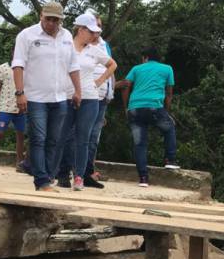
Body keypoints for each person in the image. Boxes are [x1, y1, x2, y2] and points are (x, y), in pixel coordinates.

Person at [12, 1, 82, 192]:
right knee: (38, 138)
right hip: (35, 97)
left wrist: (77, 91)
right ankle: (41, 180)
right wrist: (20, 93)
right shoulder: (27, 35)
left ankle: (48, 176)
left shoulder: (66, 36)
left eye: (56, 20)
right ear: (41, 15)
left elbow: (73, 66)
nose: (52, 23)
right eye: (48, 19)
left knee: (54, 139)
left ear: (61, 20)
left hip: (59, 97)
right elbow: (18, 65)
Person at [54, 13, 117, 190]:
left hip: (90, 98)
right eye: (91, 32)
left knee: (83, 139)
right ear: (80, 30)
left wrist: (99, 81)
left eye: (96, 32)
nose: (94, 36)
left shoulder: (95, 50)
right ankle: (55, 173)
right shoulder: (65, 47)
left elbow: (113, 65)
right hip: (66, 97)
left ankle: (79, 177)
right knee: (61, 137)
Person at [117, 47, 178, 187]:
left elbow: (125, 86)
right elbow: (169, 94)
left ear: (145, 57)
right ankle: (170, 160)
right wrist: (166, 113)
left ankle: (143, 178)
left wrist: (127, 107)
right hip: (154, 107)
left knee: (140, 143)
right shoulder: (167, 69)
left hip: (135, 109)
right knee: (169, 129)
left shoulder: (136, 69)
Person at [85, 12, 115, 186]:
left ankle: (88, 173)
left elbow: (111, 68)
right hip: (86, 96)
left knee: (94, 137)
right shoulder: (82, 45)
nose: (98, 29)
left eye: (100, 26)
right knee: (79, 134)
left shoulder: (105, 45)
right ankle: (66, 171)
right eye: (95, 25)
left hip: (102, 97)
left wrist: (110, 91)